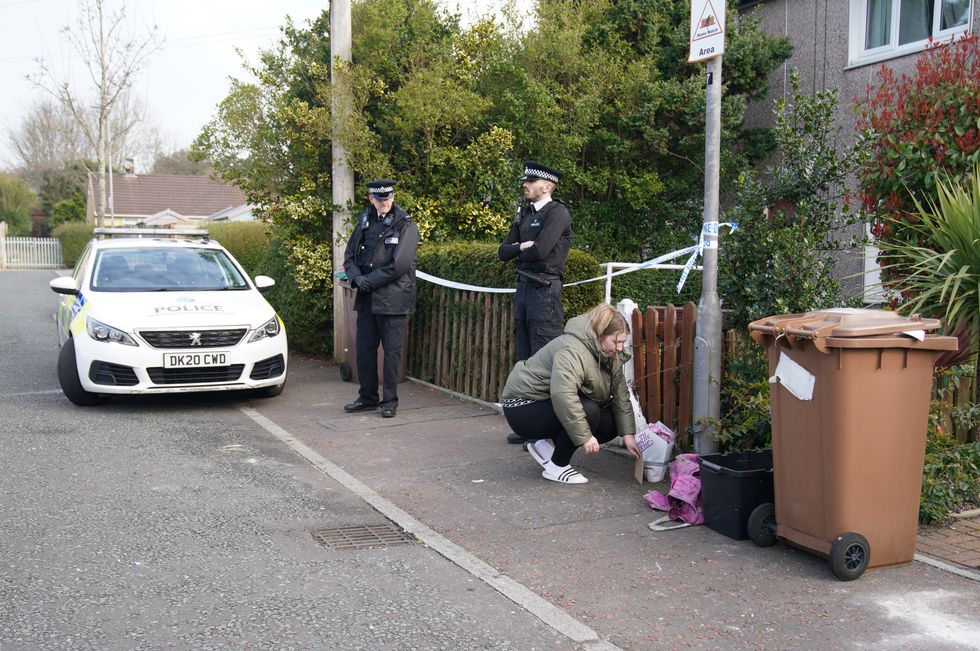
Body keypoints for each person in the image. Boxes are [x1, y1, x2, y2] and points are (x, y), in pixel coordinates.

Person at [500, 303, 641, 485]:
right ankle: (557, 466)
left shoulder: (608, 354)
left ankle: (545, 445)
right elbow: (563, 394)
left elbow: (620, 393)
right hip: (522, 406)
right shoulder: (573, 349)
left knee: (611, 424)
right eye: (617, 341)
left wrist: (628, 435)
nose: (621, 347)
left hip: (544, 402)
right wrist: (585, 437)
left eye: (623, 342)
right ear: (601, 334)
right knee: (588, 411)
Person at [498, 160, 572, 444]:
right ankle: (528, 428)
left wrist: (524, 249)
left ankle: (546, 431)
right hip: (525, 290)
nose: (525, 185)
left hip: (545, 292)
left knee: (544, 361)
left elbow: (541, 252)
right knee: (525, 361)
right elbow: (503, 252)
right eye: (525, 181)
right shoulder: (525, 213)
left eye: (531, 182)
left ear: (547, 186)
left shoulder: (558, 213)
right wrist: (521, 247)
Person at [342, 179, 420, 419]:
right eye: (379, 198)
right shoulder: (364, 221)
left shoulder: (405, 225)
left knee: (391, 353)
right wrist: (356, 278)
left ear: (393, 198)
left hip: (393, 300)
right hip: (367, 298)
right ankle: (367, 397)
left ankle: (390, 401)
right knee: (364, 350)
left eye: (387, 198)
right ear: (371, 199)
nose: (384, 202)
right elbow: (349, 256)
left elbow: (399, 265)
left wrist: (368, 281)